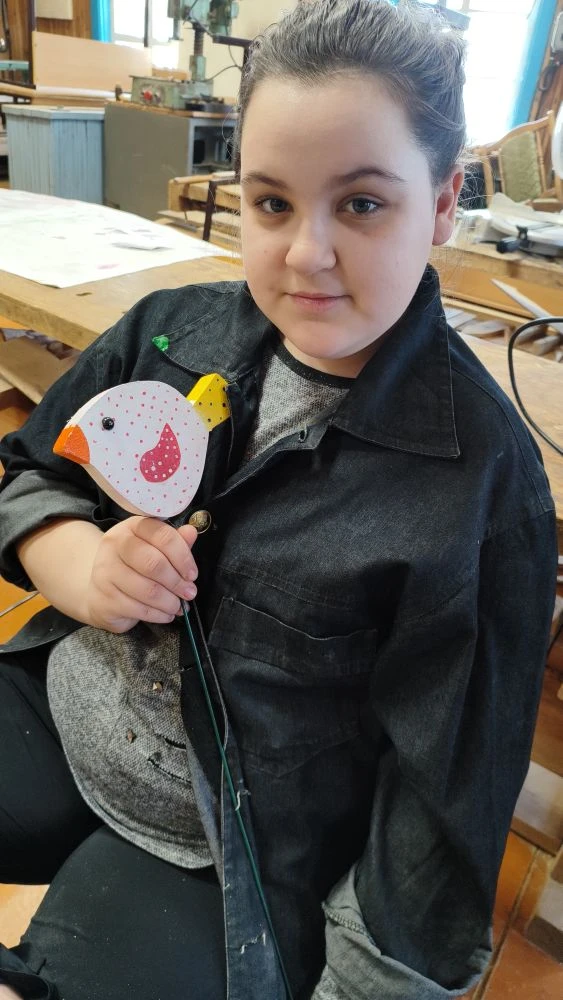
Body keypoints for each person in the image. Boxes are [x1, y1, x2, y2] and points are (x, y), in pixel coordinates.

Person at [0, 1, 557, 998]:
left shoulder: (480, 492)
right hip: (63, 705)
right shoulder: (168, 332)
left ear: (442, 202)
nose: (304, 253)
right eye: (270, 203)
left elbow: (431, 833)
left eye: (361, 204)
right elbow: (32, 472)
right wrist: (75, 563)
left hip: (228, 851)